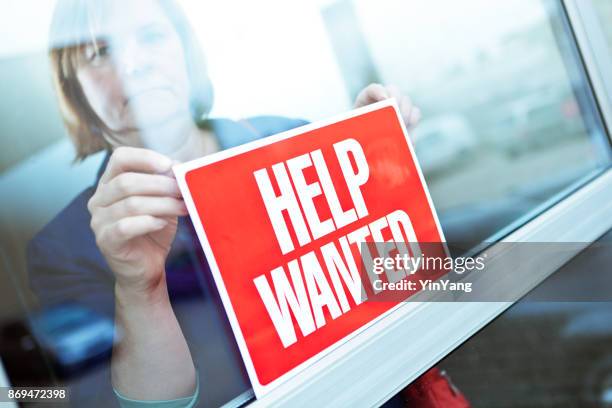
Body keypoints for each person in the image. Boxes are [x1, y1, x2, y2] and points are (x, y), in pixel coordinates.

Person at [27, 0, 468, 407]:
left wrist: (370, 183)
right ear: (74, 87)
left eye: (150, 37)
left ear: (185, 49)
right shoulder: (62, 248)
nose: (132, 63)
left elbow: (401, 287)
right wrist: (140, 292)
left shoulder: (287, 140)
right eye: (99, 52)